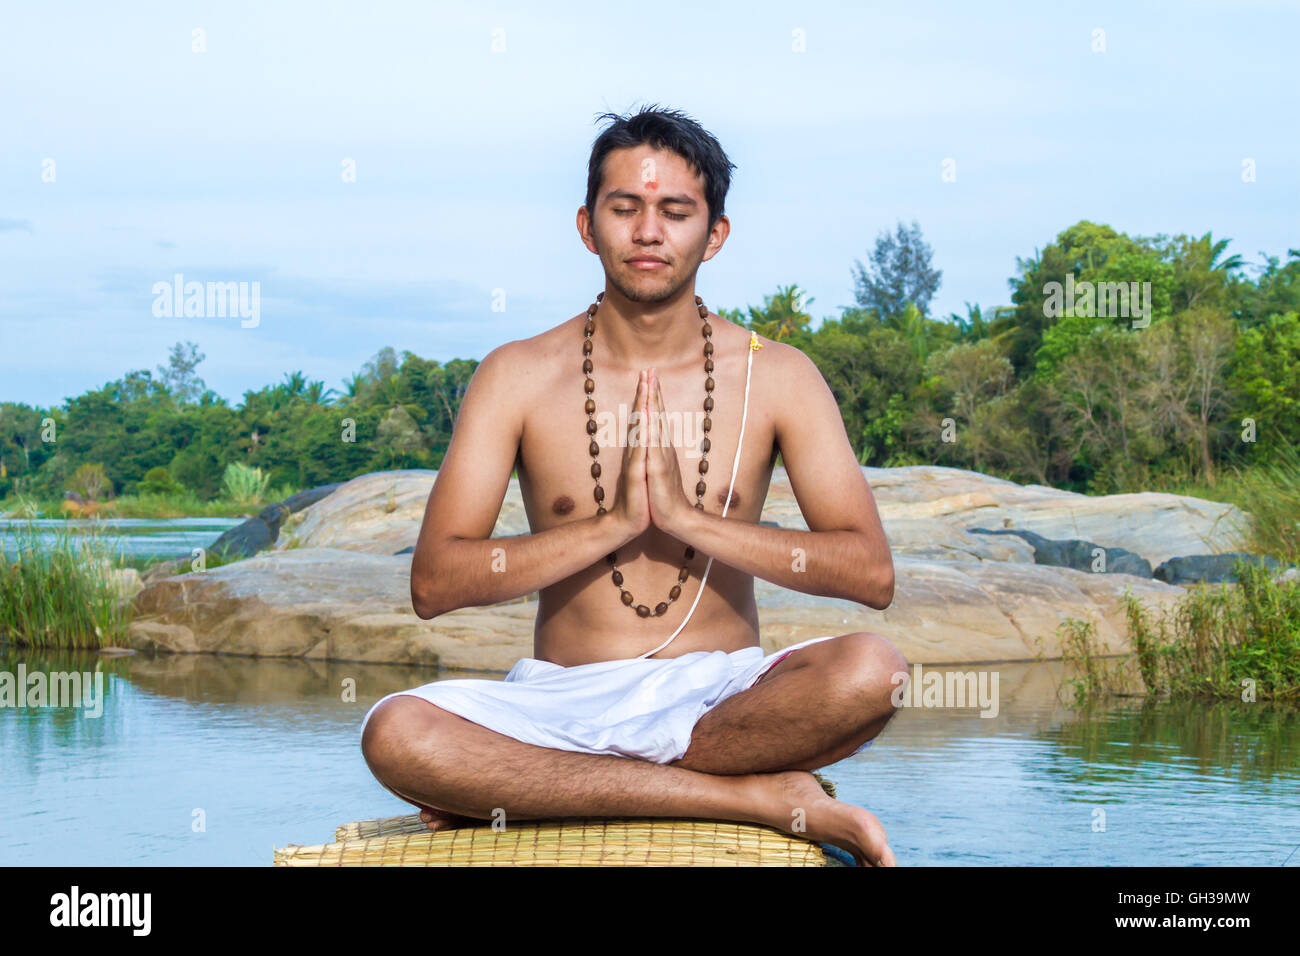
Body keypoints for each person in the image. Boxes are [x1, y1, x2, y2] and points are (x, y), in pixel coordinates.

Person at [361, 104, 906, 866]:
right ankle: (748, 797)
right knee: (394, 732)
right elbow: (434, 583)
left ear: (714, 234)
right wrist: (609, 525)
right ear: (588, 226)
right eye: (626, 208)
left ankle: (549, 791)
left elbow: (871, 574)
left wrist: (691, 519)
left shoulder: (779, 376)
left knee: (874, 674)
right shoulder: (515, 376)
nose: (649, 233)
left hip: (723, 699)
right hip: (558, 704)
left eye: (675, 211)